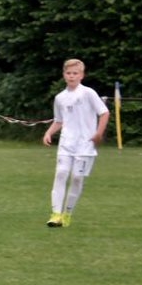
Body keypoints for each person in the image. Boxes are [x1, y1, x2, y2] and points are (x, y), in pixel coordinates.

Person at [42, 58, 110, 227]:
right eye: (68, 73)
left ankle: (67, 213)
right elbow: (59, 120)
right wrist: (49, 132)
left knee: (77, 178)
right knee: (61, 173)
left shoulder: (88, 93)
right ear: (64, 75)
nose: (71, 76)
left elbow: (104, 113)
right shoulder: (60, 98)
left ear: (82, 75)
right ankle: (55, 215)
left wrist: (98, 133)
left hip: (85, 145)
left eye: (75, 73)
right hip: (66, 144)